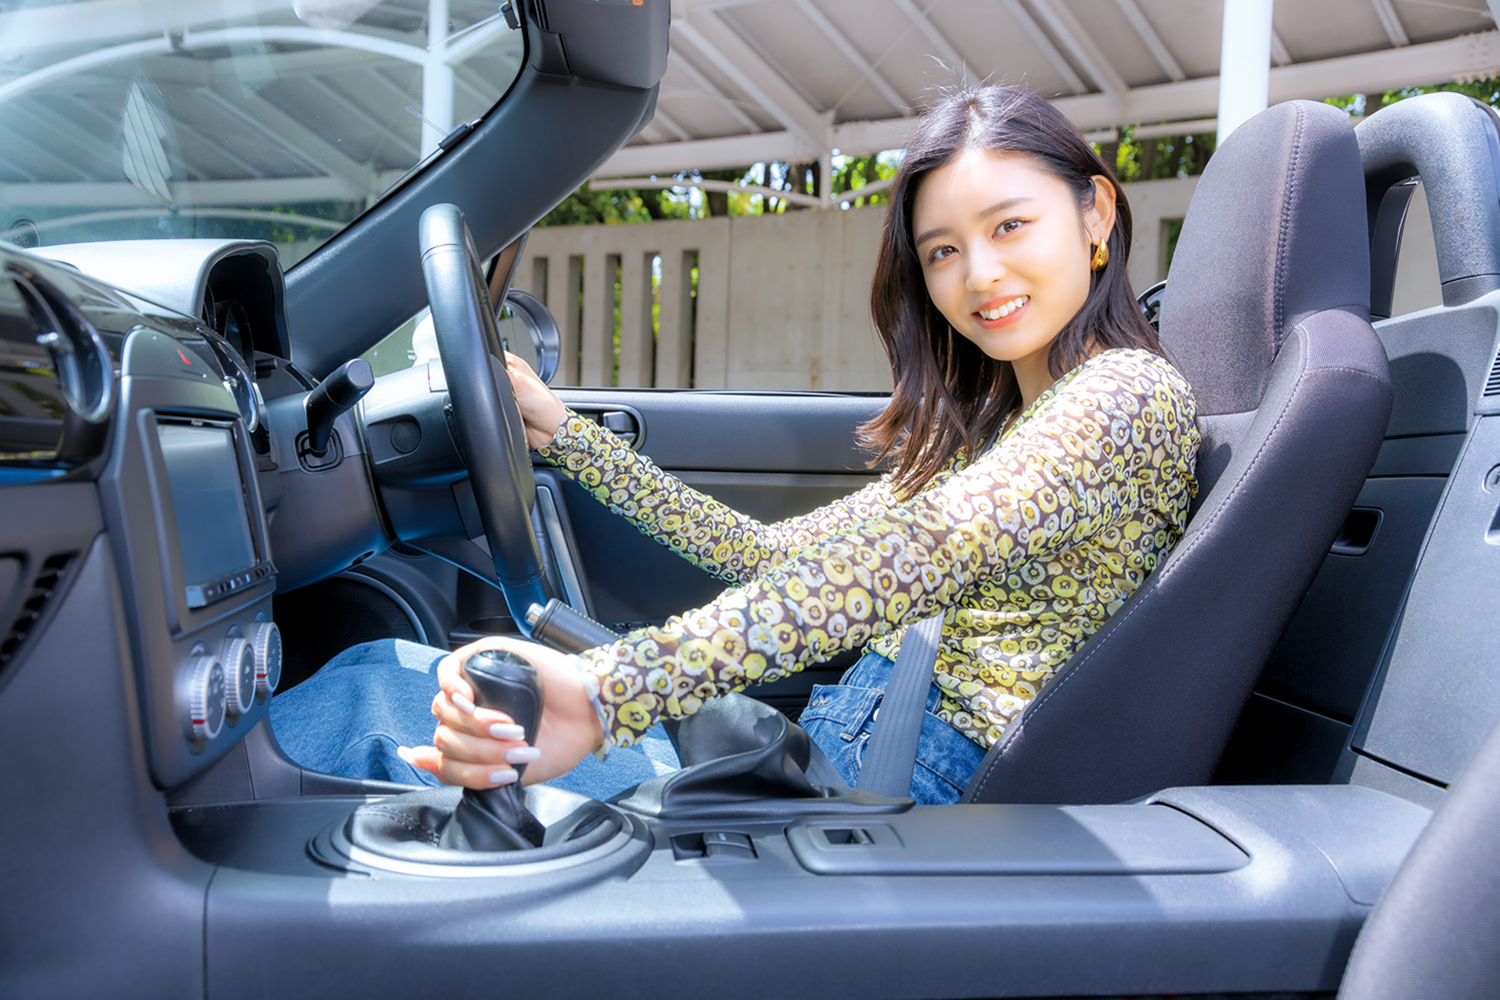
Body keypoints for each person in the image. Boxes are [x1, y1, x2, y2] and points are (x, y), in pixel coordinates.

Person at [270, 84, 1200, 806]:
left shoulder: (1125, 397)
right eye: (943, 250)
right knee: (383, 674)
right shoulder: (1002, 429)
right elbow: (774, 557)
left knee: (367, 704)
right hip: (828, 762)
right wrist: (569, 438)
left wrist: (604, 693)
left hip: (890, 810)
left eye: (1010, 226)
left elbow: (911, 558)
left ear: (1097, 216)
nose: (979, 273)